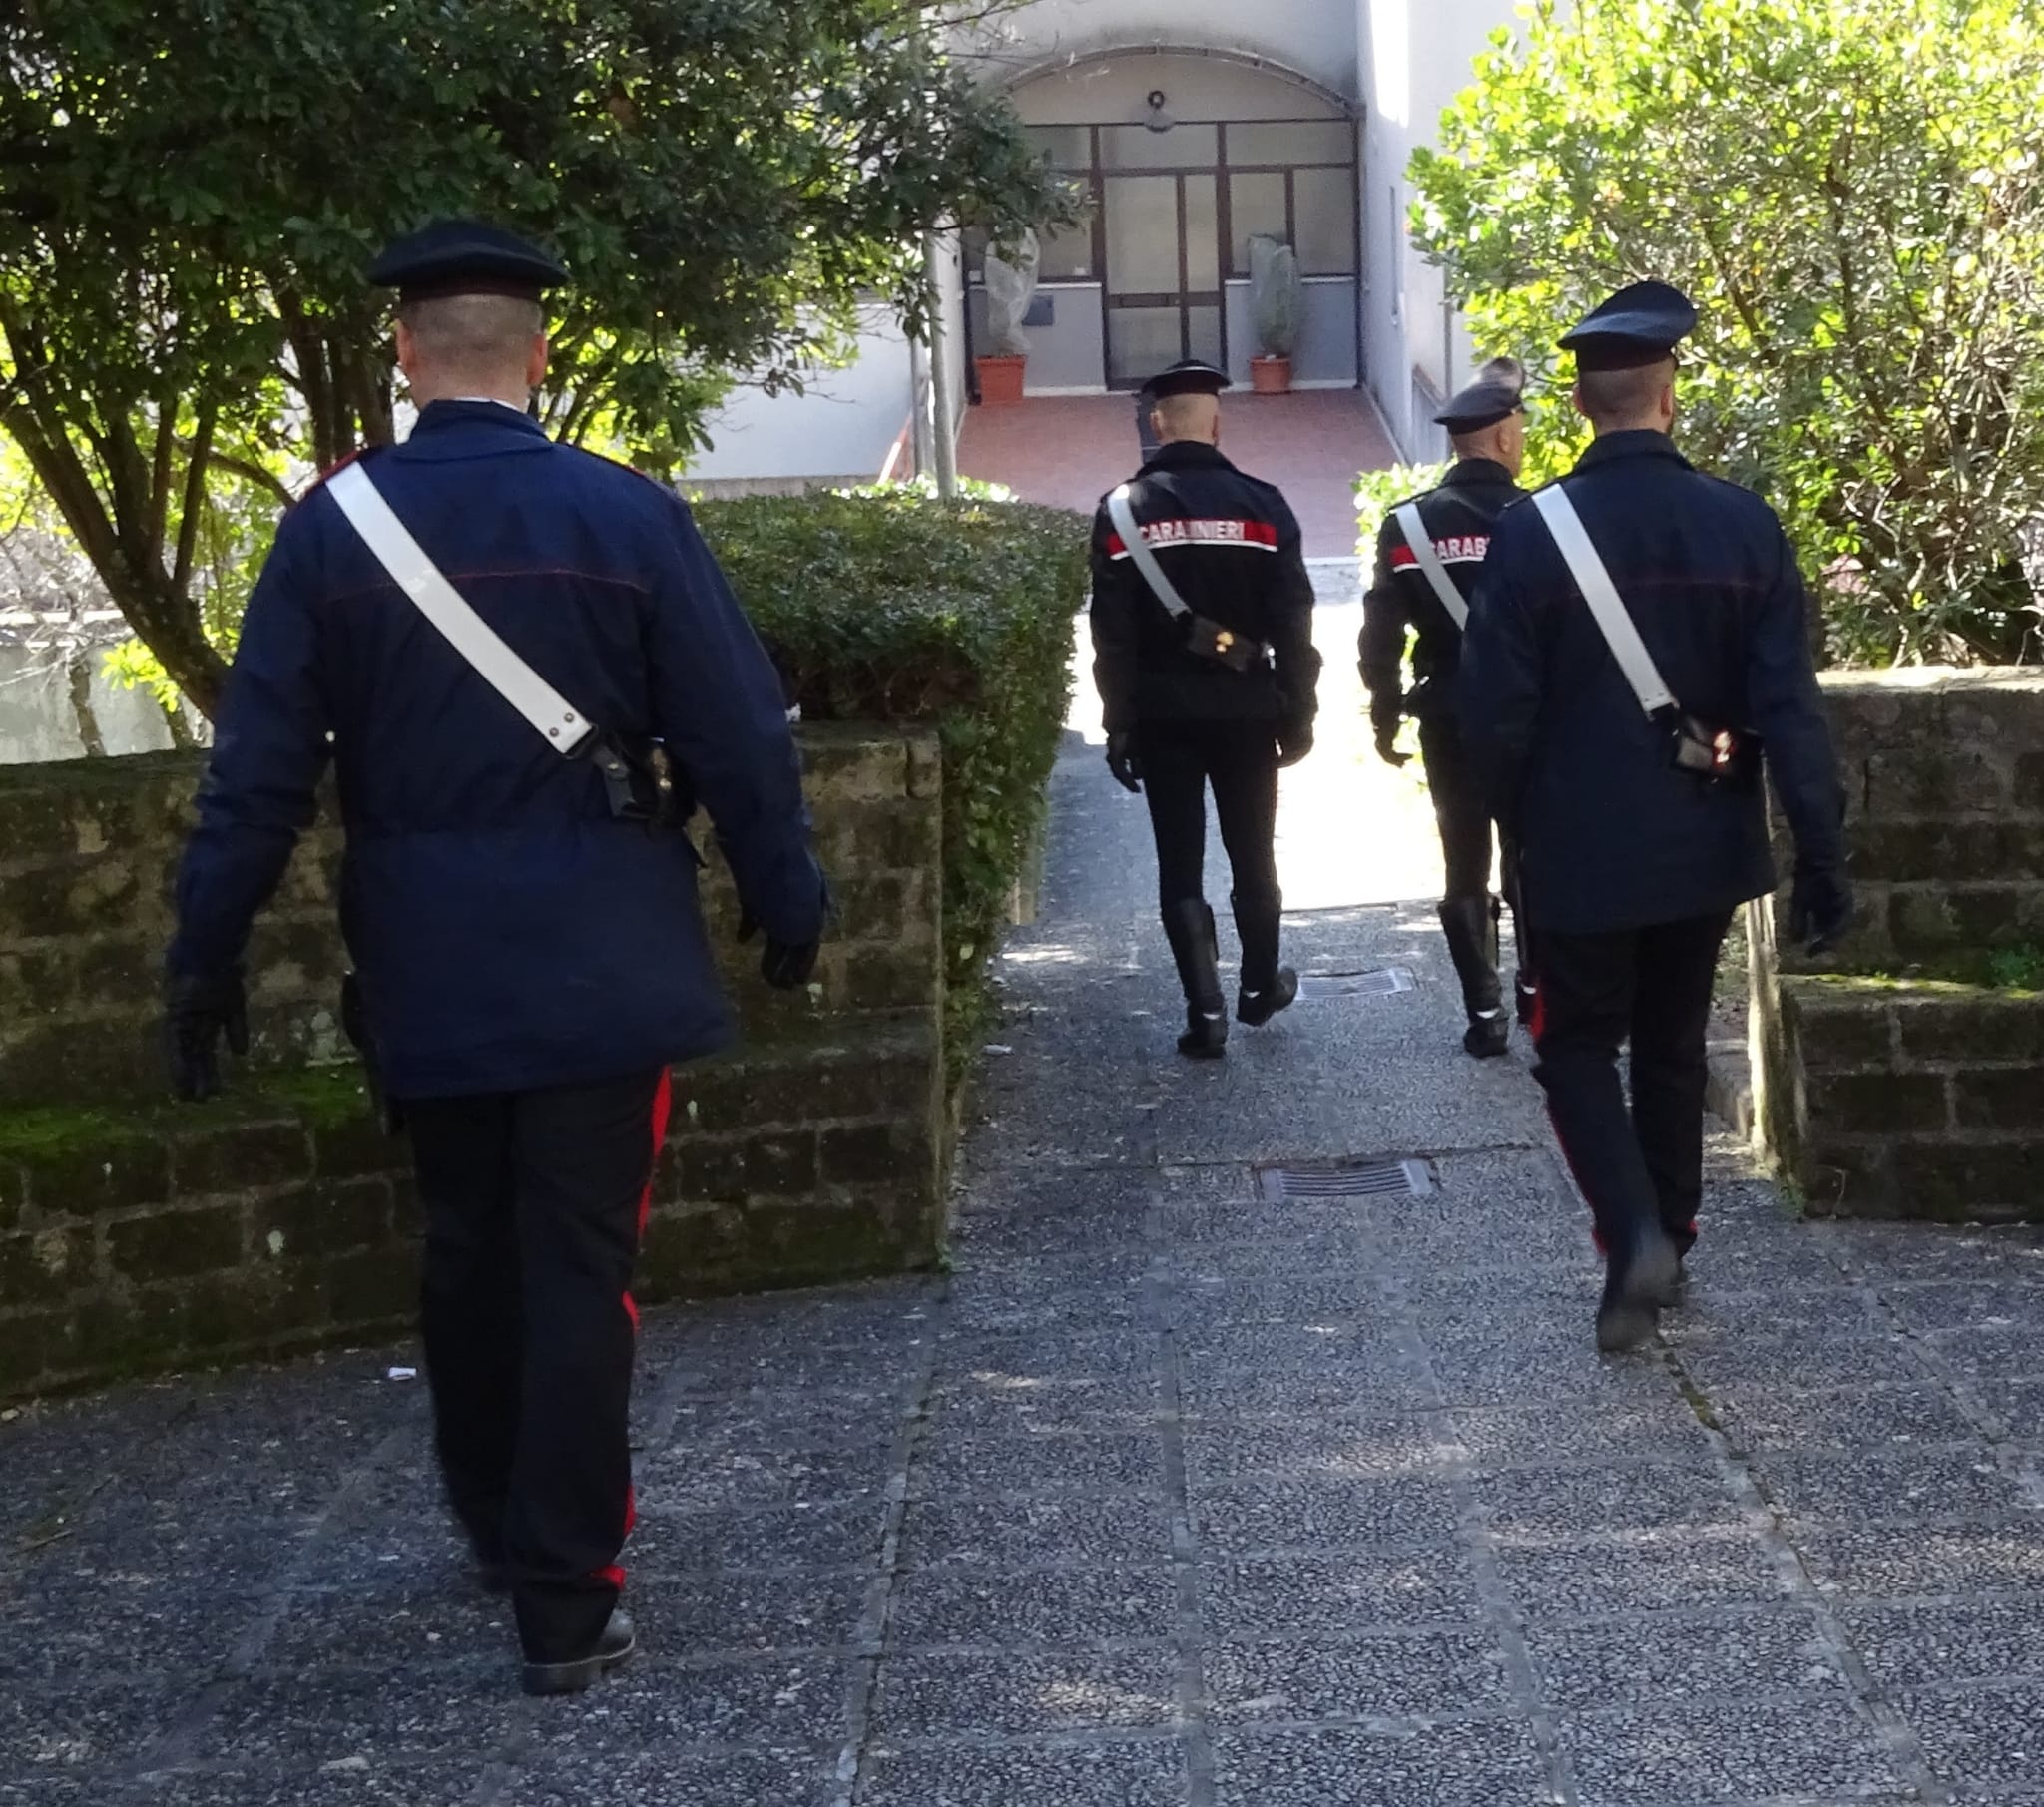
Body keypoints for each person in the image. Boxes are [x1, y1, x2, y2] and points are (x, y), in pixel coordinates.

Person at [161, 220, 829, 1694]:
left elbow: (255, 781)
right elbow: (738, 736)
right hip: (601, 958)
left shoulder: (332, 534)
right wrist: (787, 902)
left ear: (406, 353)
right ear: (537, 357)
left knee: (467, 1248)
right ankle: (568, 1592)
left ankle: (489, 1517)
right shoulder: (630, 517)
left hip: (427, 962)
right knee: (583, 1266)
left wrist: (199, 963)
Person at [1459, 280, 1850, 1352]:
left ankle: (1629, 1229)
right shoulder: (1741, 525)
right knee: (1673, 1042)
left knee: (1576, 1043)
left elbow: (1491, 716)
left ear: (1582, 406)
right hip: (1703, 837)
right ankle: (1672, 1229)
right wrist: (1820, 855)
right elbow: (1788, 709)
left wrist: (1506, 834)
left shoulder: (1532, 533)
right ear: (1668, 395)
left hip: (1577, 847)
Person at [1090, 358, 1321, 1060]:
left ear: (1156, 425)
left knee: (1179, 861)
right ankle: (1258, 987)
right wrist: (1300, 710)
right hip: (1249, 711)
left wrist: (1119, 721)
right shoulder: (1264, 505)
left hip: (1163, 716)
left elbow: (1113, 631)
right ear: (1216, 423)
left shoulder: (1123, 510)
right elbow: (1295, 619)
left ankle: (1205, 1011)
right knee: (1254, 852)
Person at [1361, 357, 1533, 1059]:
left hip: (1448, 714)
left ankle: (1485, 1009)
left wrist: (1384, 710)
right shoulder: (1539, 517)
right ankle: (1538, 996)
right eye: (1518, 424)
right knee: (1530, 854)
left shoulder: (1408, 527)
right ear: (1500, 437)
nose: (1521, 436)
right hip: (1529, 713)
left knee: (1463, 858)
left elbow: (1381, 629)